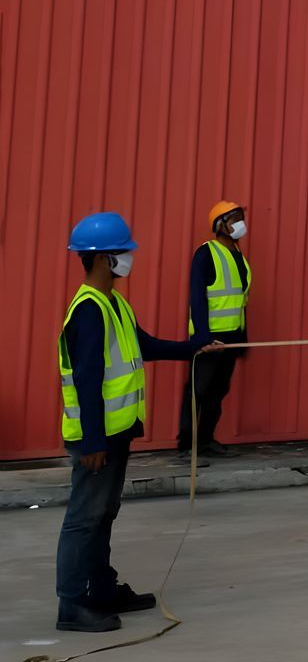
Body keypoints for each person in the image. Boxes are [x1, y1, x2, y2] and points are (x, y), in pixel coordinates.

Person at [56, 212, 221, 634]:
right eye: (123, 251)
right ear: (101, 258)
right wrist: (93, 439)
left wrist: (196, 348)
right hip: (97, 438)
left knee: (103, 515)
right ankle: (72, 605)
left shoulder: (113, 303)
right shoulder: (89, 311)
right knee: (84, 518)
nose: (130, 257)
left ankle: (102, 589)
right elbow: (88, 379)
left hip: (117, 430)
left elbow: (144, 346)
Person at [180, 200, 251, 456]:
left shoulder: (239, 257)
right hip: (210, 338)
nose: (240, 223)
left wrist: (243, 338)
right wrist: (202, 337)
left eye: (240, 217)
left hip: (232, 337)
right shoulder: (206, 253)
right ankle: (187, 444)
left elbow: (239, 301)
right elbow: (197, 298)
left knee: (218, 390)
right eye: (234, 219)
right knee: (198, 390)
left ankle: (206, 439)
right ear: (219, 225)